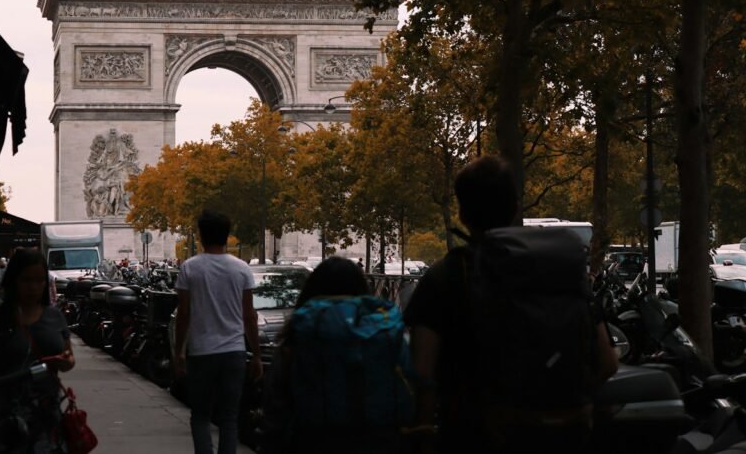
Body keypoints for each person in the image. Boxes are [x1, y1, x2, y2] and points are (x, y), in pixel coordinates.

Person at [403, 155, 618, 454]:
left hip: (475, 436)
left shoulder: (446, 276)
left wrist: (424, 432)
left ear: (462, 214)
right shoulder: (560, 267)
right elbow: (608, 362)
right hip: (563, 437)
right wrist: (555, 408)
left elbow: (422, 373)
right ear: (516, 207)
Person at [260, 257, 414, 453]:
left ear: (310, 293)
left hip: (313, 442)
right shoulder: (387, 338)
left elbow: (276, 411)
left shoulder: (297, 342)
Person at [173, 209, 262, 454]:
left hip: (201, 352)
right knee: (229, 418)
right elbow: (249, 316)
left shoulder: (189, 268)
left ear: (201, 235)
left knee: (200, 416)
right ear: (227, 235)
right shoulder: (241, 269)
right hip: (234, 351)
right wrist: (255, 353)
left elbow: (184, 314)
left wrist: (179, 351)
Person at [0, 248, 76, 453]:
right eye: (27, 280)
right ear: (13, 281)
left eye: (39, 281)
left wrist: (66, 361)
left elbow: (68, 358)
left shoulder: (55, 317)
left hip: (48, 417)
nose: (34, 287)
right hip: (7, 418)